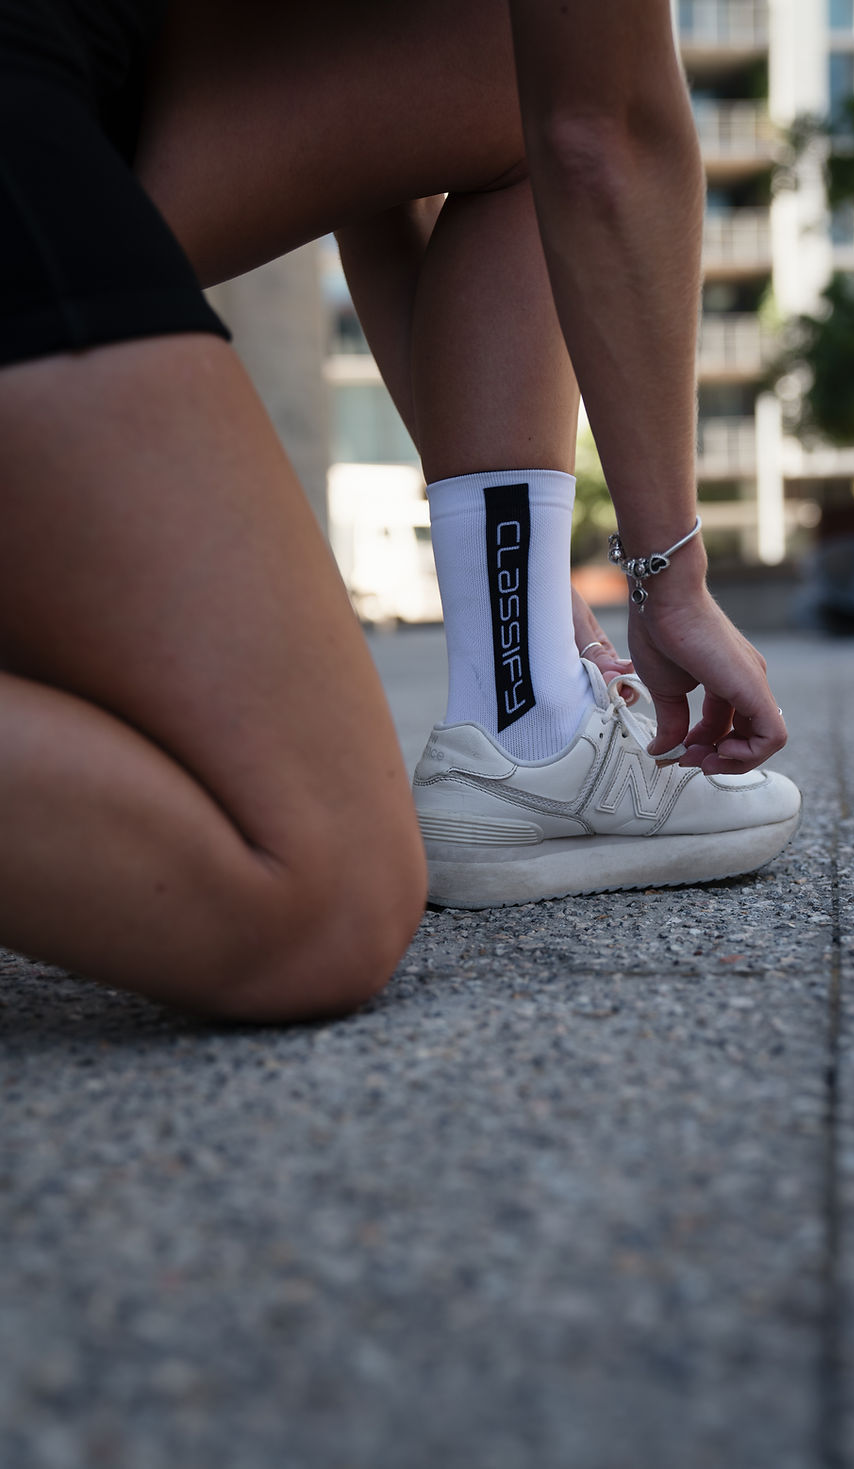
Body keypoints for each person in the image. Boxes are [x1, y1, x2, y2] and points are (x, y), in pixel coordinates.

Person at [0, 0, 798, 1020]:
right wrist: (669, 577)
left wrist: (515, 580)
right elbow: (605, 130)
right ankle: (533, 729)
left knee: (502, 70)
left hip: (83, 74)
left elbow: (388, 181)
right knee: (317, 892)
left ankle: (530, 728)